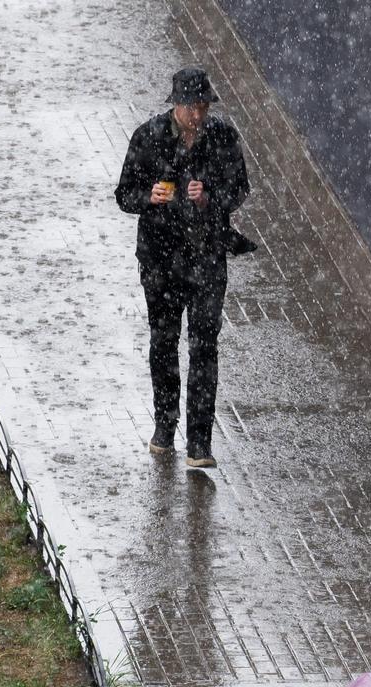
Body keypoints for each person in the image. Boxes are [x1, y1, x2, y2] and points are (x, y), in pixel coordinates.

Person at [114, 68, 250, 468]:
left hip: (207, 259)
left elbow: (239, 188)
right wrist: (149, 196)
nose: (199, 114)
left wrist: (210, 198)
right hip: (161, 261)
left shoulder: (222, 137)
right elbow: (124, 194)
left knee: (205, 346)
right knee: (164, 342)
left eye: (204, 106)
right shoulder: (148, 136)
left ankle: (200, 442)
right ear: (176, 103)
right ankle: (164, 426)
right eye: (193, 106)